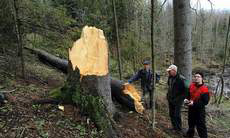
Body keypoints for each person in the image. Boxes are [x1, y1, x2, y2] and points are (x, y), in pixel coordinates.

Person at [184, 72, 209, 138]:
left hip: (199, 110)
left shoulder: (204, 89)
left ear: (202, 78)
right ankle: (189, 135)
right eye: (195, 76)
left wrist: (194, 103)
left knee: (200, 126)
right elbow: (188, 95)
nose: (196, 78)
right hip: (191, 108)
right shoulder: (191, 85)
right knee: (191, 123)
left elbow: (205, 102)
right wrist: (186, 99)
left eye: (198, 77)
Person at [166, 64, 187, 132]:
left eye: (170, 71)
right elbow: (169, 87)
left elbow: (185, 92)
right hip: (170, 99)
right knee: (171, 114)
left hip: (178, 100)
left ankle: (178, 128)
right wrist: (168, 96)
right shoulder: (170, 77)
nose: (168, 72)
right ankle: (174, 127)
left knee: (176, 114)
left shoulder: (181, 79)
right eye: (168, 71)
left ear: (174, 71)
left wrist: (179, 99)